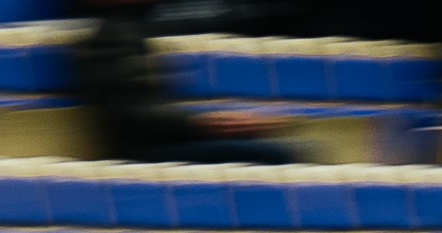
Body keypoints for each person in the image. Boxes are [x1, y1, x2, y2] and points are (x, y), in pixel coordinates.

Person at [71, 0, 303, 166]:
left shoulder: (128, 29)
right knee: (272, 154)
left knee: (273, 148)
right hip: (141, 149)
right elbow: (126, 114)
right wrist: (202, 123)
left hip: (159, 138)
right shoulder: (110, 35)